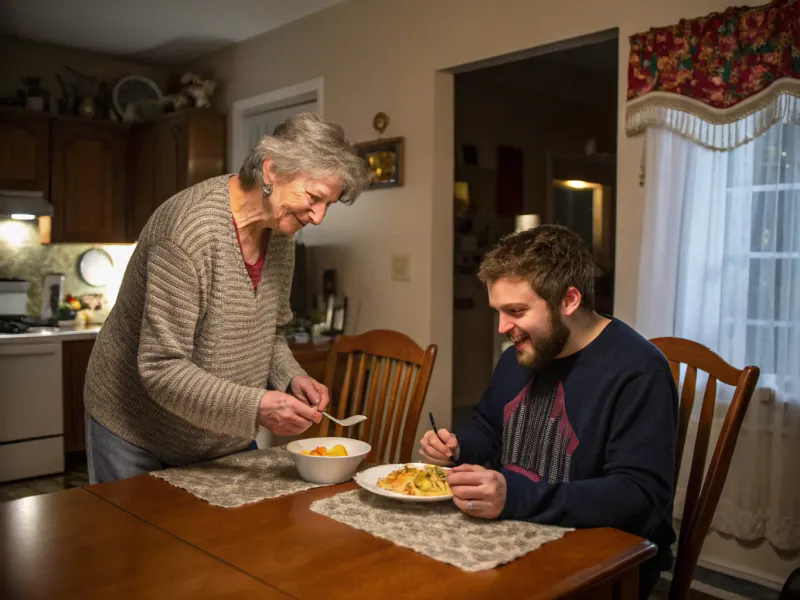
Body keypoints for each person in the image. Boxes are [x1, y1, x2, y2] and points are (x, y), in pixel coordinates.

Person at [84, 112, 369, 483]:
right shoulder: (187, 232)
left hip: (215, 435)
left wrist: (290, 377)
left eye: (328, 205)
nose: (317, 217)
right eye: (314, 198)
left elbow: (271, 333)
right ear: (271, 171)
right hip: (136, 428)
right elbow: (161, 367)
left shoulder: (281, 236)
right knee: (133, 540)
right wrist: (257, 405)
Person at [420, 225, 677, 599]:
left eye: (516, 311)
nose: (502, 328)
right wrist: (458, 446)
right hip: (514, 534)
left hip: (601, 564)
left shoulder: (638, 370)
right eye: (498, 312)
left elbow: (639, 497)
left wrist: (515, 497)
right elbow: (488, 430)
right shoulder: (519, 356)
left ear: (568, 300)